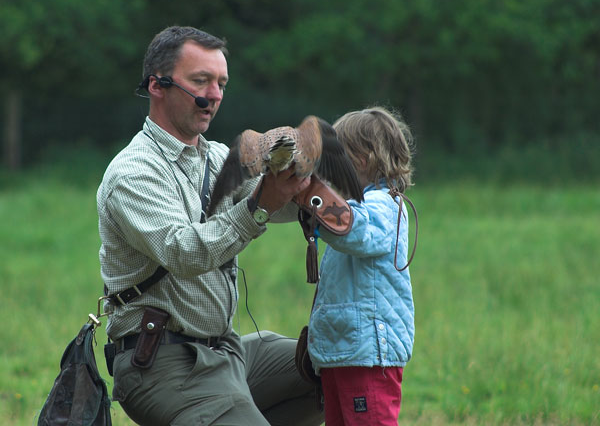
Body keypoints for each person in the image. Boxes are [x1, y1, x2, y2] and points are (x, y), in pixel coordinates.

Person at [97, 25, 324, 426]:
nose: (215, 94)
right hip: (161, 362)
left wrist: (303, 186)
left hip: (225, 350)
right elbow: (183, 252)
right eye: (201, 81)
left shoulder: (218, 157)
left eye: (221, 82)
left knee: (326, 367)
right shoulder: (133, 172)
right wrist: (259, 206)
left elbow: (276, 202)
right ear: (157, 85)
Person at [307, 106, 415, 426]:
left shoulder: (384, 204)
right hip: (346, 350)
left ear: (362, 160)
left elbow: (354, 230)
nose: (330, 170)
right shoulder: (363, 203)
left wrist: (311, 194)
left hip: (368, 355)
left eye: (337, 160)